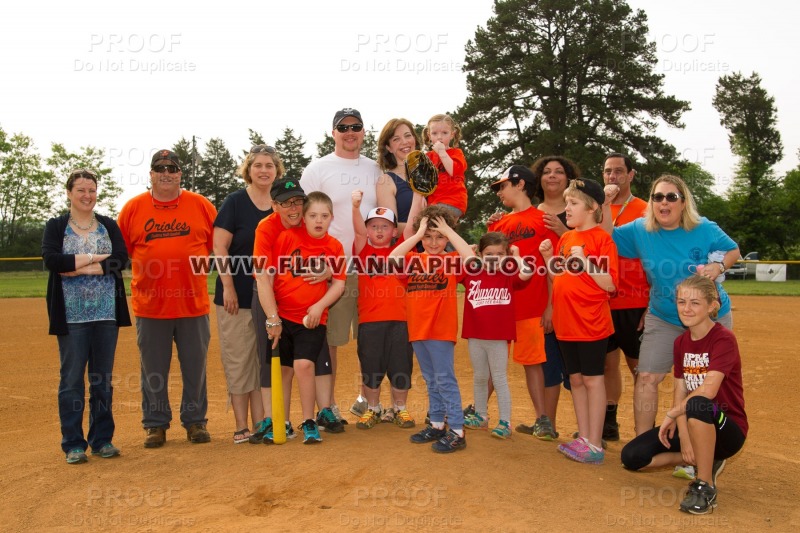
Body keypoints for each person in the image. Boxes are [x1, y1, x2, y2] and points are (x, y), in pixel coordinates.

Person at [608, 174, 739, 436]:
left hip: (707, 318)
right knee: (646, 377)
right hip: (664, 315)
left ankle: (698, 446)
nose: (663, 202)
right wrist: (604, 202)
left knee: (699, 384)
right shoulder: (640, 229)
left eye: (671, 197)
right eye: (657, 197)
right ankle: (642, 443)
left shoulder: (703, 227)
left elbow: (733, 249)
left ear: (683, 202)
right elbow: (603, 235)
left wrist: (720, 265)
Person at [621, 274, 747, 515]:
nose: (686, 309)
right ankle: (700, 457)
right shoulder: (681, 342)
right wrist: (685, 438)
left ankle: (705, 484)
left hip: (727, 427)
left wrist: (671, 414)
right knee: (633, 456)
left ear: (712, 306)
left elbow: (708, 391)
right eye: (681, 302)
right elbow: (680, 390)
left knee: (699, 402)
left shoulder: (723, 339)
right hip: (692, 422)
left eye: (695, 303)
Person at [117, 149, 217, 448]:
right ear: (151, 173)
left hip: (192, 303)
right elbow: (120, 252)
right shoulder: (133, 208)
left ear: (180, 174)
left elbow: (217, 245)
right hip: (151, 305)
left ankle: (195, 422)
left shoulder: (200, 205)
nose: (166, 173)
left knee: (195, 367)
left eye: (172, 168)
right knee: (153, 370)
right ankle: (156, 425)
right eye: (160, 168)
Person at [43, 168, 131, 464]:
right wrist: (98, 259)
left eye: (91, 190)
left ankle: (102, 440)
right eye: (80, 190)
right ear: (69, 193)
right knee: (71, 380)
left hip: (106, 314)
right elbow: (54, 261)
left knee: (101, 380)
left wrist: (80, 265)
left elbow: (121, 258)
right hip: (71, 317)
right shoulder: (57, 226)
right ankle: (73, 444)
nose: (87, 195)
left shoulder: (107, 225)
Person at [300, 107, 381, 420]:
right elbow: (303, 218)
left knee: (369, 340)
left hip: (370, 270)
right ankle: (329, 403)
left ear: (363, 131)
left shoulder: (376, 169)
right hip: (331, 271)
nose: (350, 132)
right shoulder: (318, 169)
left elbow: (388, 215)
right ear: (333, 132)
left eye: (356, 127)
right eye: (343, 127)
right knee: (329, 340)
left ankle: (365, 398)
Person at [257, 191, 347, 444]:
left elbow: (339, 284)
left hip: (311, 318)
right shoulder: (286, 238)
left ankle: (309, 420)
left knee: (304, 365)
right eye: (313, 215)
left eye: (324, 216)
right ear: (304, 218)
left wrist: (319, 307)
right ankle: (282, 422)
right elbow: (269, 275)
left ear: (331, 218)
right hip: (284, 316)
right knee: (284, 370)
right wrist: (272, 315)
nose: (319, 221)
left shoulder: (334, 246)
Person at [539, 178, 618, 464]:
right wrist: (549, 257)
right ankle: (584, 438)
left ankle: (595, 444)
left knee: (593, 380)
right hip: (566, 323)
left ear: (593, 207)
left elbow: (610, 284)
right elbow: (557, 279)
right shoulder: (567, 238)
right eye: (567, 203)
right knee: (575, 379)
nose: (566, 208)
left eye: (573, 203)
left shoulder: (602, 239)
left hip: (592, 323)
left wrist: (585, 260)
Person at [486, 166, 559, 440]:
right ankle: (479, 410)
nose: (499, 192)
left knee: (533, 363)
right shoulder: (498, 224)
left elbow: (554, 267)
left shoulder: (544, 220)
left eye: (502, 186)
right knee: (494, 362)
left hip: (531, 306)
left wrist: (551, 305)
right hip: (500, 306)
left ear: (520, 184)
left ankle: (542, 419)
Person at [389, 206, 469, 453]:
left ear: (448, 237)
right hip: (418, 331)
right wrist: (417, 232)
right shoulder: (413, 260)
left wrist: (448, 230)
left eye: (440, 236)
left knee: (445, 380)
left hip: (440, 331)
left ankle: (457, 429)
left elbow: (472, 259)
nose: (434, 242)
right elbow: (392, 259)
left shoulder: (452, 260)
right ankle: (436, 423)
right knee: (431, 380)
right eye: (428, 236)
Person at [213, 145, 278, 444]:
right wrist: (227, 286)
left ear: (277, 170)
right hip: (236, 294)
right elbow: (219, 246)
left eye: (269, 165)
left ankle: (262, 422)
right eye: (258, 165)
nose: (264, 170)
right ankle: (241, 425)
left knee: (263, 359)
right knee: (240, 359)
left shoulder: (281, 204)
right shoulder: (235, 202)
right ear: (248, 169)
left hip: (271, 298)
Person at [350, 192, 415, 429]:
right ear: (367, 230)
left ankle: (400, 409)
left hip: (400, 320)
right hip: (370, 321)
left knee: (400, 366)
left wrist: (417, 195)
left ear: (394, 231)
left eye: (385, 226)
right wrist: (355, 208)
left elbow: (413, 227)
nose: (378, 231)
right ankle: (373, 409)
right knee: (371, 367)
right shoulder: (363, 252)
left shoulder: (402, 251)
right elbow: (357, 232)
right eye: (374, 226)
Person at [460, 232, 532, 439]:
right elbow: (459, 259)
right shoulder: (471, 273)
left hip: (498, 338)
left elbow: (527, 273)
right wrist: (470, 253)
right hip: (475, 336)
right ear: (480, 255)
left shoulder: (507, 275)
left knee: (499, 378)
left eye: (500, 254)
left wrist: (516, 255)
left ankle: (505, 422)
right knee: (480, 377)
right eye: (488, 253)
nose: (494, 258)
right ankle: (481, 416)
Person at [600, 153, 650, 442]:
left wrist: (652, 301)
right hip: (602, 301)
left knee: (639, 368)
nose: (612, 176)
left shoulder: (645, 209)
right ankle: (609, 422)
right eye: (608, 171)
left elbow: (655, 256)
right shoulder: (596, 209)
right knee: (607, 365)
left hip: (634, 299)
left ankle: (645, 429)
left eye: (619, 171)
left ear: (631, 175)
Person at [375, 117, 421, 234]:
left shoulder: (428, 174)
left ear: (414, 139)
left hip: (439, 248)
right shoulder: (386, 181)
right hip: (408, 249)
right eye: (396, 139)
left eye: (408, 136)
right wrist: (427, 230)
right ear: (388, 148)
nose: (405, 142)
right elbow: (390, 228)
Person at [421, 113, 468, 218]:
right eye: (434, 133)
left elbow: (453, 170)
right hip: (433, 203)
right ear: (429, 135)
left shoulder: (456, 153)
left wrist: (442, 152)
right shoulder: (427, 157)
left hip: (452, 201)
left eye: (444, 133)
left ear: (452, 134)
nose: (439, 137)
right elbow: (423, 182)